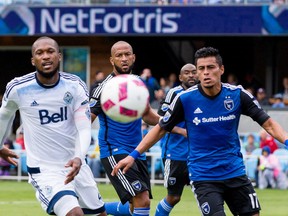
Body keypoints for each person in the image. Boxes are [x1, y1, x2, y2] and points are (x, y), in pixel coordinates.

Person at [112, 47, 288, 216]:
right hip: (203, 176)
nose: (205, 73)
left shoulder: (237, 95)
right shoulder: (185, 99)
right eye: (201, 68)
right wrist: (133, 155)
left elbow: (269, 124)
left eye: (210, 67)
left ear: (221, 69)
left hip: (235, 172)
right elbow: (160, 129)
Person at [0, 36, 106, 216]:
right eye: (39, 53)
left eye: (50, 51)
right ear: (33, 60)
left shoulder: (75, 86)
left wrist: (79, 157)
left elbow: (84, 127)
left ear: (59, 56)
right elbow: (4, 116)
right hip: (45, 170)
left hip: (76, 164)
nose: (45, 56)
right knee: (74, 214)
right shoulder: (18, 88)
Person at [89, 41, 161, 216]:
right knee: (141, 198)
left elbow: (147, 115)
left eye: (127, 54)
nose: (124, 59)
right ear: (111, 60)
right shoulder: (103, 89)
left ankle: (92, 210)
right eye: (119, 55)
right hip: (114, 151)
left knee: (136, 206)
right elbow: (85, 122)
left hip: (137, 151)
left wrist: (170, 123)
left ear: (133, 57)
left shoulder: (137, 83)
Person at [155, 63, 199, 216]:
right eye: (187, 73)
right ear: (180, 77)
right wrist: (182, 131)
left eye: (194, 72)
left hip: (198, 155)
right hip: (175, 154)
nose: (191, 75)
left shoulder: (204, 94)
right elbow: (160, 119)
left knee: (206, 194)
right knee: (174, 197)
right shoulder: (174, 93)